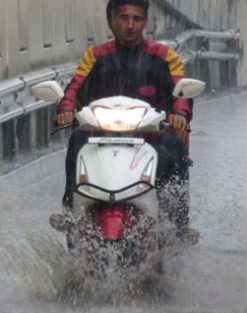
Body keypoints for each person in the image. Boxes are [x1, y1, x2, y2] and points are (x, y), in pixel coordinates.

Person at [56, 0, 195, 239]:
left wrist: (180, 114)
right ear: (110, 21)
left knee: (177, 148)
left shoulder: (165, 56)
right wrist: (66, 108)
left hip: (151, 136)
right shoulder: (95, 56)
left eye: (136, 18)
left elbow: (181, 91)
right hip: (101, 136)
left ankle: (179, 225)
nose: (130, 25)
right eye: (123, 18)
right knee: (76, 140)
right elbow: (74, 89)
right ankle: (71, 211)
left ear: (145, 22)